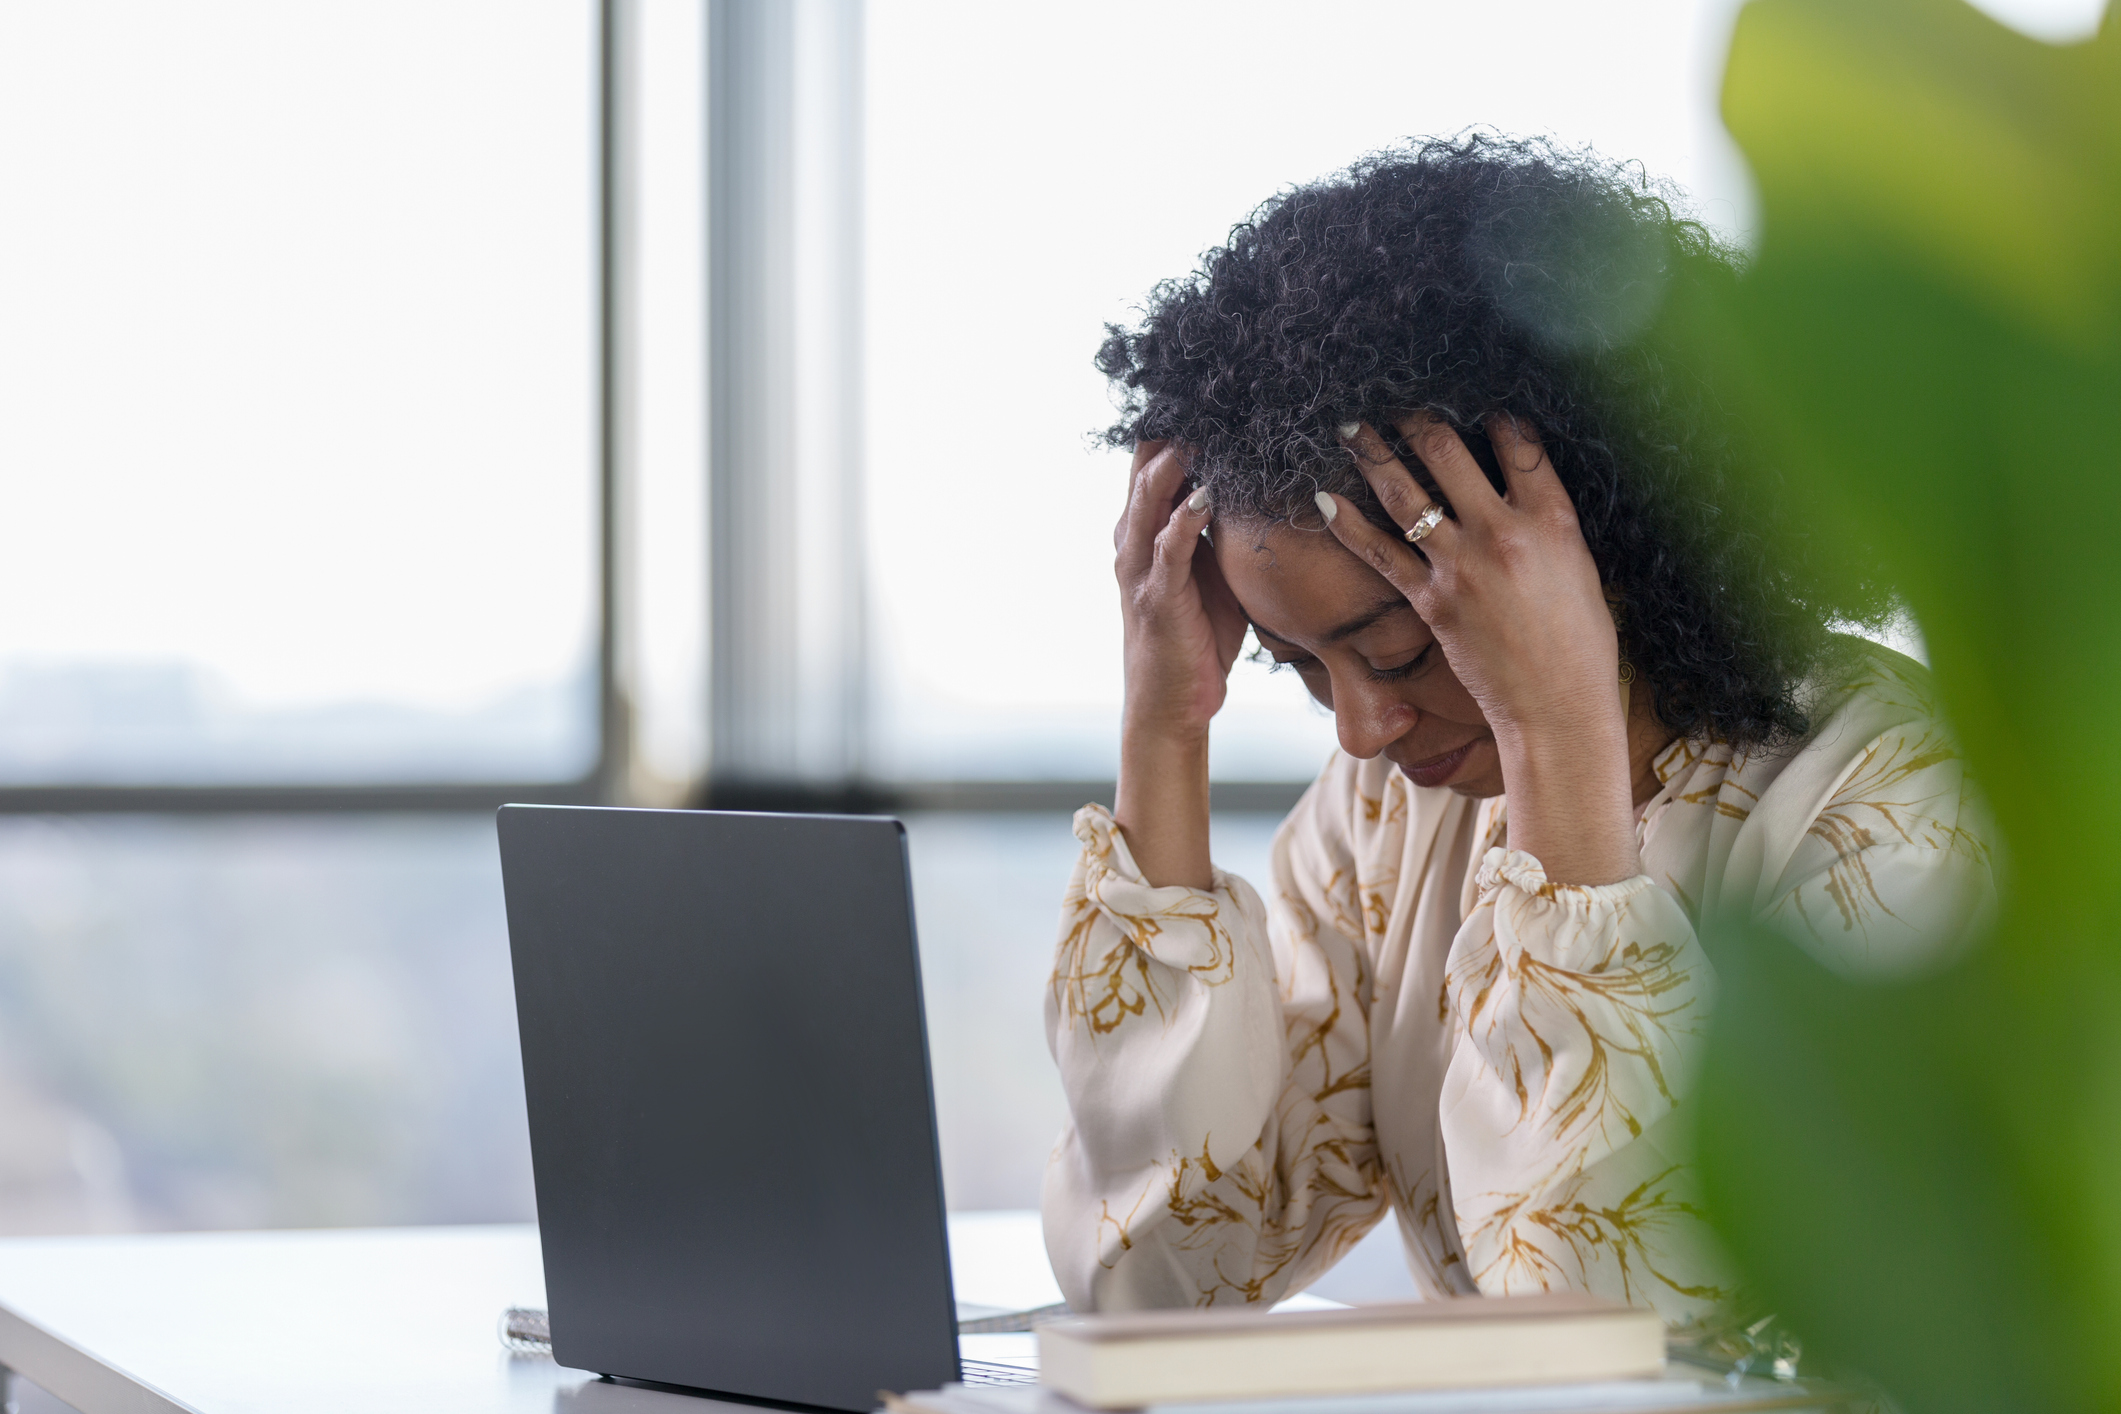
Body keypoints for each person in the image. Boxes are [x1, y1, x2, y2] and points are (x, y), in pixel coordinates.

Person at [1041, 135, 1995, 1325]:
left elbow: (1632, 1325)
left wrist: (1558, 741)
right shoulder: (1399, 809)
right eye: (1294, 668)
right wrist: (1166, 731)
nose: (1360, 729)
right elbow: (1160, 1272)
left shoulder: (1891, 809)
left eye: (1397, 649)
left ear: (1577, 543)